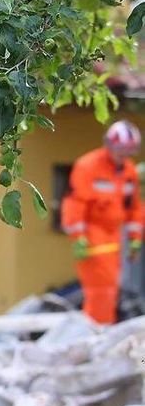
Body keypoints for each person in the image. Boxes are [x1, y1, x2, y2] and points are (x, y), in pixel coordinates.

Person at [61, 120, 143, 324]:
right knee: (102, 290)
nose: (124, 156)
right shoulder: (88, 166)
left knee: (109, 289)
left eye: (128, 151)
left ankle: (97, 330)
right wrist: (78, 237)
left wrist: (135, 239)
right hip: (92, 236)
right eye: (121, 150)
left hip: (114, 237)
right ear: (109, 145)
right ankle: (98, 331)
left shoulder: (128, 172)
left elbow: (133, 208)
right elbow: (75, 203)